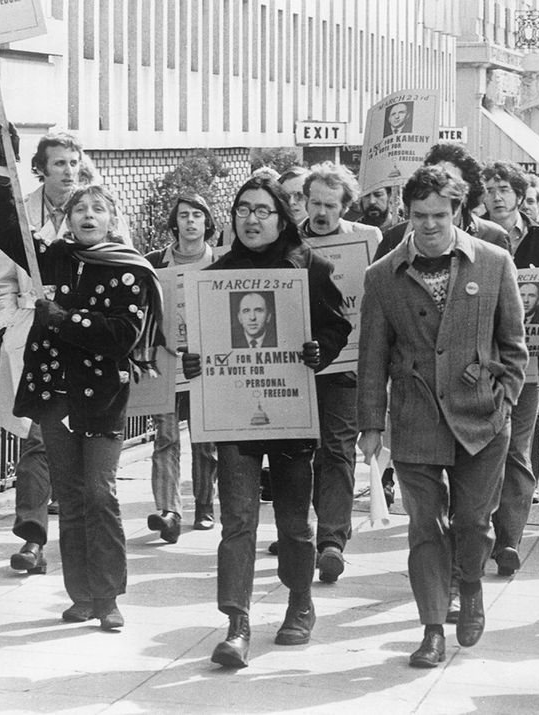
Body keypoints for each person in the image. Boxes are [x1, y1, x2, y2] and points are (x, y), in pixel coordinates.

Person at [0, 143, 163, 630]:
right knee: (71, 494)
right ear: (68, 220)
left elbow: (121, 336)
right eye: (79, 208)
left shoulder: (128, 269)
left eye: (97, 208)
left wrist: (65, 320)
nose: (87, 214)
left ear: (111, 219)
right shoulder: (53, 260)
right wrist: (2, 163)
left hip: (102, 397)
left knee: (101, 493)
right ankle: (81, 594)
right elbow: (6, 227)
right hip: (53, 394)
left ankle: (109, 598)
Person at [357, 165, 528, 668]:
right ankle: (432, 627)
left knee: (473, 521)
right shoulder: (382, 276)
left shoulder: (494, 262)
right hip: (415, 420)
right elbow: (372, 358)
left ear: (458, 212)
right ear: (405, 215)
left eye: (438, 214)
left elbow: (514, 345)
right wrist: (371, 425)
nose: (428, 225)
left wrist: (506, 396)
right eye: (417, 215)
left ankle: (470, 585)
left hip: (482, 417)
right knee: (425, 528)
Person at [182, 175, 350, 667]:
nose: (251, 220)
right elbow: (205, 339)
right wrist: (196, 364)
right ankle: (237, 624)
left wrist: (321, 351)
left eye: (262, 211)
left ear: (281, 218)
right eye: (242, 210)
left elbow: (337, 325)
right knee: (237, 520)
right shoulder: (217, 273)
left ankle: (300, 603)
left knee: (294, 522)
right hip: (235, 417)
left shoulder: (309, 268)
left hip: (291, 413)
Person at [293, 161, 381, 583]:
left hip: (345, 364)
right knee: (302, 452)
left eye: (331, 204)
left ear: (346, 206)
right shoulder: (289, 242)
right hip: (296, 365)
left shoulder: (367, 240)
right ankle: (303, 527)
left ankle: (332, 540)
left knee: (339, 449)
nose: (321, 212)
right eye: (314, 203)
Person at [482, 160, 539, 577]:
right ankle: (478, 533)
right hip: (480, 363)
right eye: (490, 188)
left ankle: (509, 540)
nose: (496, 196)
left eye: (504, 189)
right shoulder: (473, 235)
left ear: (520, 195)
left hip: (529, 365)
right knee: (481, 449)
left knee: (518, 450)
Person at [143, 194, 218, 542]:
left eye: (197, 215)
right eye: (184, 215)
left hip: (206, 363)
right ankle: (168, 512)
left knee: (205, 440)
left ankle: (204, 506)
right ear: (174, 223)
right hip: (168, 361)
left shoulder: (220, 263)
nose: (190, 221)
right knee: (166, 437)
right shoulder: (154, 263)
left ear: (207, 223)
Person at [375, 142, 510, 260]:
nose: (440, 189)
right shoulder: (395, 237)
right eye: (434, 181)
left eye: (452, 183)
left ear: (468, 191)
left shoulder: (493, 236)